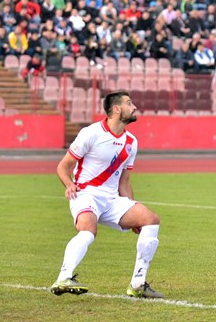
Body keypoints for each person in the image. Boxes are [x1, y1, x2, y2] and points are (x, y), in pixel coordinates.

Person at [50, 91, 164, 298]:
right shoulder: (91, 133)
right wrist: (68, 184)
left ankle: (137, 284)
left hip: (112, 200)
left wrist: (132, 208)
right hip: (86, 194)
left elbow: (125, 181)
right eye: (129, 103)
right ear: (117, 109)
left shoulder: (131, 142)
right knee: (87, 230)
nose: (135, 107)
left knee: (151, 220)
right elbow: (63, 166)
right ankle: (63, 278)